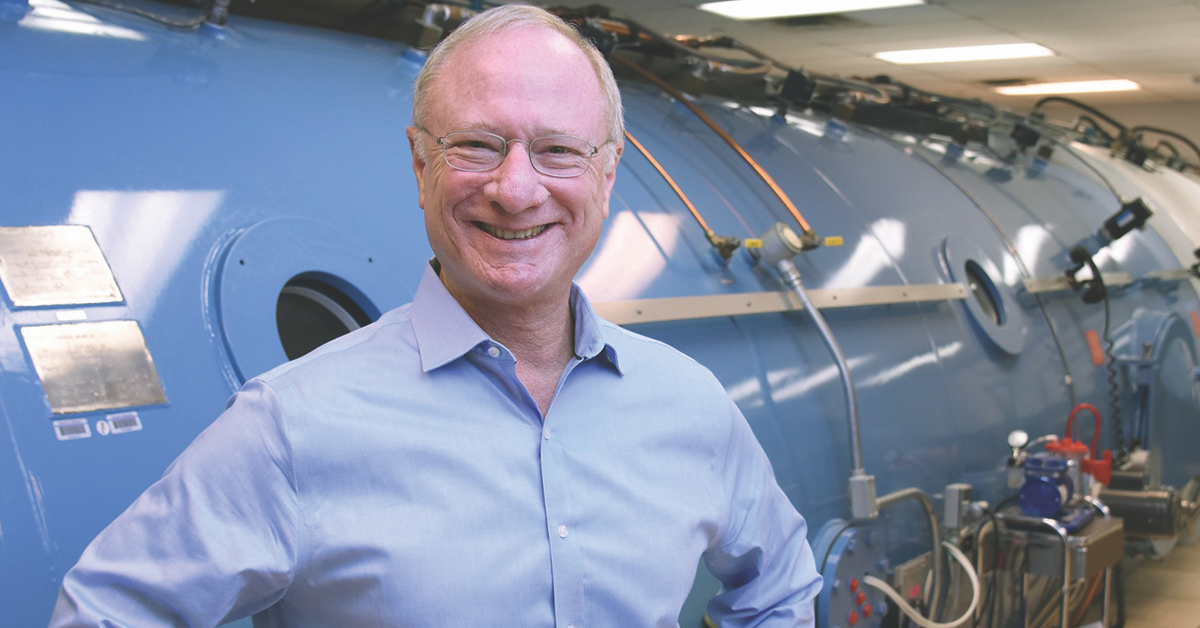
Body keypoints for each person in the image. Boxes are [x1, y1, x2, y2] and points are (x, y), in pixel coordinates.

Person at [50, 4, 821, 627]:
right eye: (478, 145)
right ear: (421, 164)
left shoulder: (689, 405)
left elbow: (782, 588)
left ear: (608, 174)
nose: (516, 190)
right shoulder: (293, 426)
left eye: (557, 150)